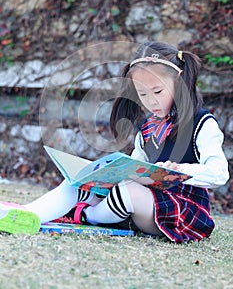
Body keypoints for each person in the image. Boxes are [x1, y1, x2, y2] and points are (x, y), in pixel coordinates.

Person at [0, 41, 229, 243]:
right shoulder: (147, 129)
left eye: (158, 91)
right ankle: (26, 214)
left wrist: (180, 170)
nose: (151, 101)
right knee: (78, 183)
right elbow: (137, 169)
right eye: (142, 94)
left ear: (178, 82)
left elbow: (219, 174)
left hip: (182, 210)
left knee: (128, 190)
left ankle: (84, 215)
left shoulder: (202, 123)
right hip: (141, 205)